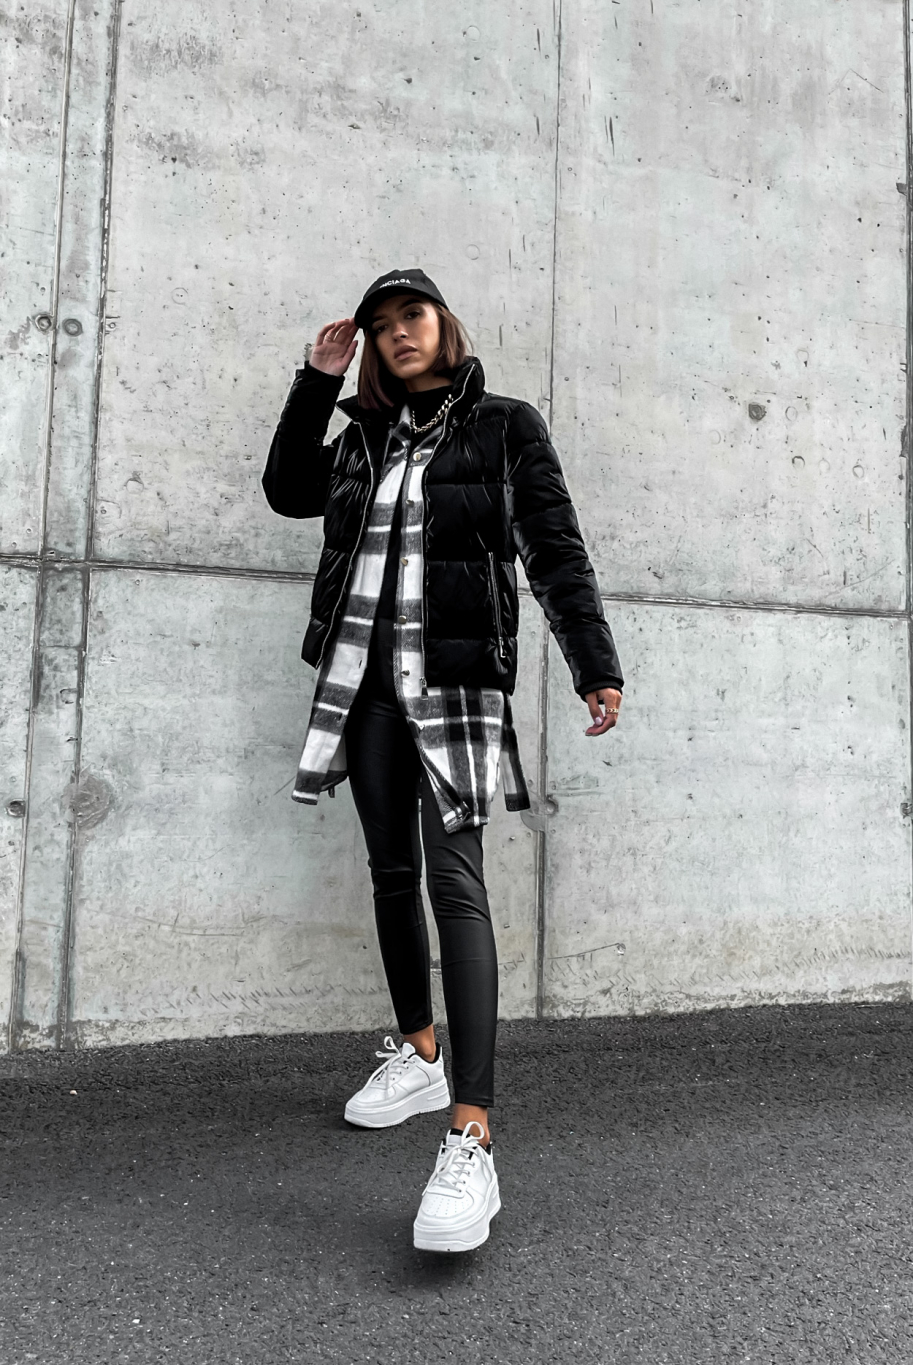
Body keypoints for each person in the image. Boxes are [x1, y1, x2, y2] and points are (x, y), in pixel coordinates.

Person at [263, 268, 624, 1253]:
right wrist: (315, 380)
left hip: (456, 682)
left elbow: (554, 549)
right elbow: (288, 492)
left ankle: (472, 1133)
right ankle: (419, 1054)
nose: (396, 333)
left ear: (443, 323)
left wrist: (593, 663)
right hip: (362, 681)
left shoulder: (505, 427)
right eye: (380, 325)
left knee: (454, 883)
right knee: (390, 869)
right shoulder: (363, 437)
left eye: (410, 315)